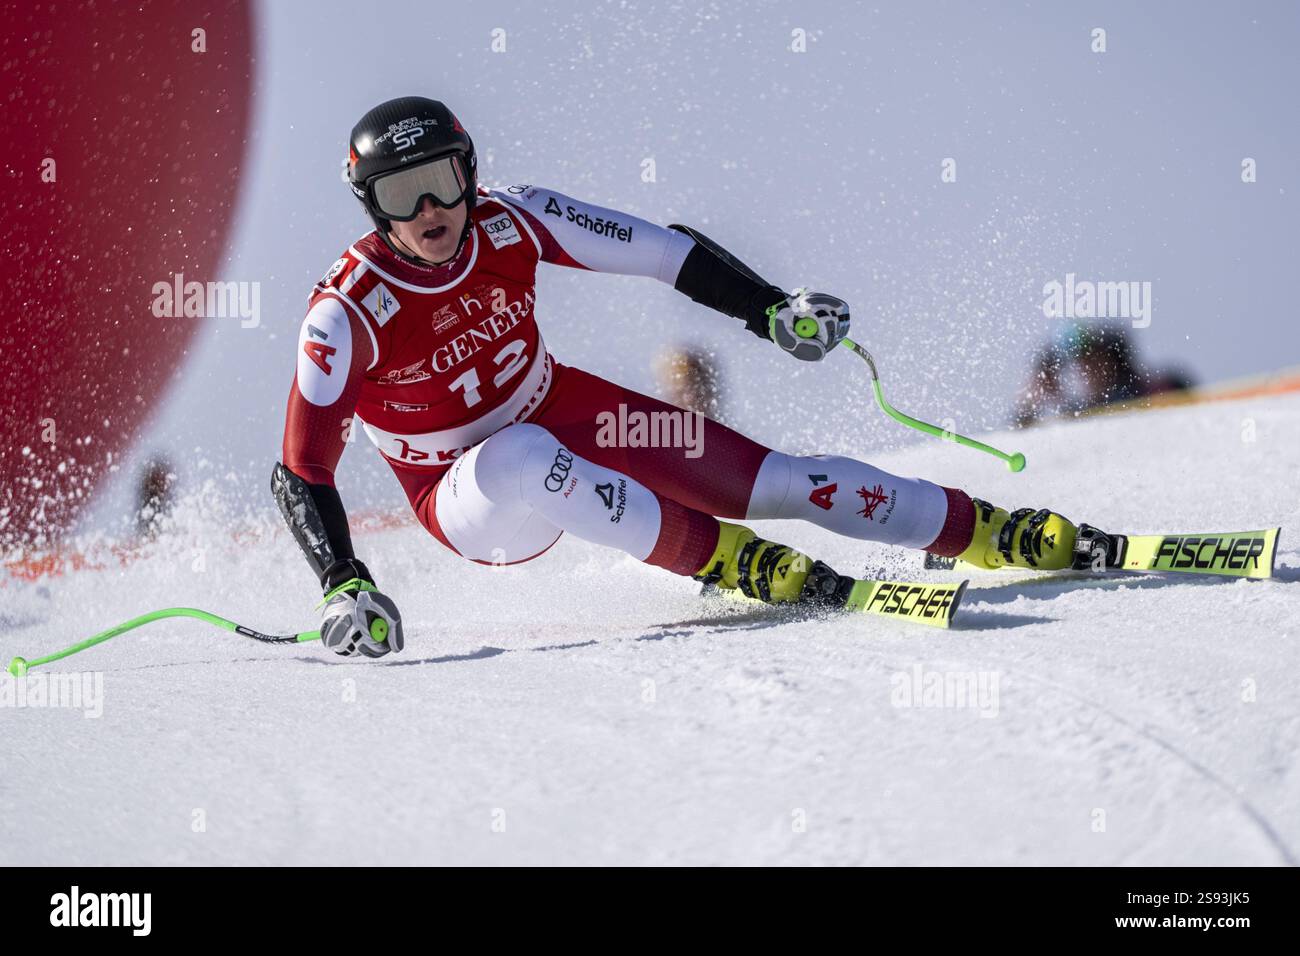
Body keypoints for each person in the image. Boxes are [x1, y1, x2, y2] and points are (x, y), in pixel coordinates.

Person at [275, 96, 1109, 658]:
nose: (431, 212)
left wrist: (773, 309)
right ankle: (728, 562)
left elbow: (660, 250)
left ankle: (979, 528)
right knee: (521, 456)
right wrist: (343, 583)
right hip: (469, 498)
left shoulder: (512, 217)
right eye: (403, 194)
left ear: (470, 171)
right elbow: (303, 466)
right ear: (371, 208)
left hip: (563, 410)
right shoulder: (346, 312)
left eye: (445, 182)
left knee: (775, 478)